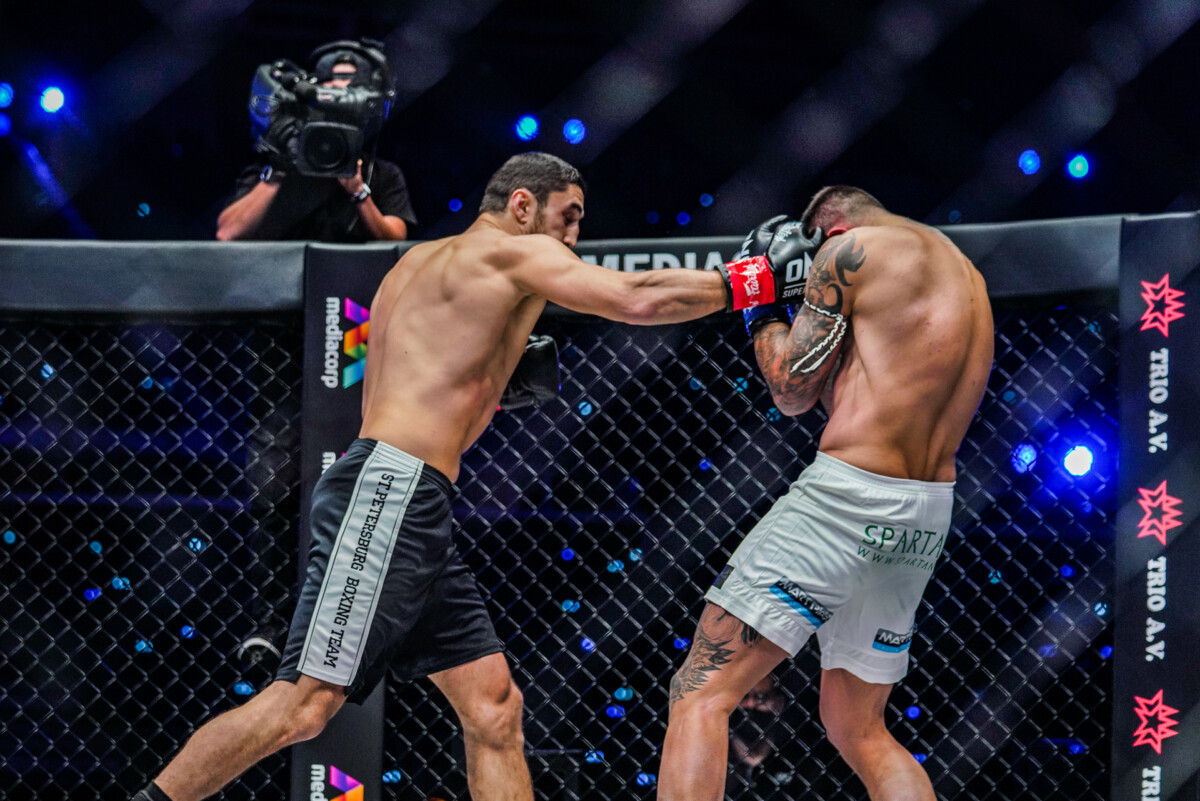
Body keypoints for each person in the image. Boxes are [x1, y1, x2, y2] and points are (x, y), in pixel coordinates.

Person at [131, 152, 816, 801]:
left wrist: (490, 377)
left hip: (411, 497)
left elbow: (426, 377)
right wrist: (753, 281)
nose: (573, 237)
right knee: (304, 705)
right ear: (521, 205)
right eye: (567, 217)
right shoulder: (512, 251)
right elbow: (635, 298)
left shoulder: (417, 263)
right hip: (392, 491)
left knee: (494, 708)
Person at [658, 186, 994, 801]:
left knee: (699, 693)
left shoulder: (848, 253)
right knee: (859, 728)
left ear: (827, 231)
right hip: (925, 514)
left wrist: (764, 309)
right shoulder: (964, 274)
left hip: (846, 499)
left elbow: (791, 391)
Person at [215, 48, 416, 242]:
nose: (336, 86)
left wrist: (358, 192)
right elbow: (227, 233)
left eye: (347, 79)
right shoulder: (277, 168)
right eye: (329, 78)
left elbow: (396, 240)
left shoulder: (380, 173)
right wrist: (277, 173)